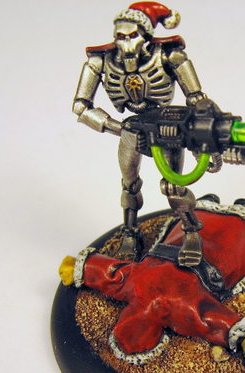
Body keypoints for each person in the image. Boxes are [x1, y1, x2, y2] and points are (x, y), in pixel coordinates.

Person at [72, 2, 211, 267]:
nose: (125, 45)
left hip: (166, 128)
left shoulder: (170, 57)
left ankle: (192, 232)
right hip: (131, 130)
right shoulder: (99, 62)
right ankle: (130, 232)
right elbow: (81, 106)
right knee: (129, 183)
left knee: (174, 186)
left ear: (146, 36)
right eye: (120, 37)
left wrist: (201, 142)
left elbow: (196, 99)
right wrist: (119, 127)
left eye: (132, 36)